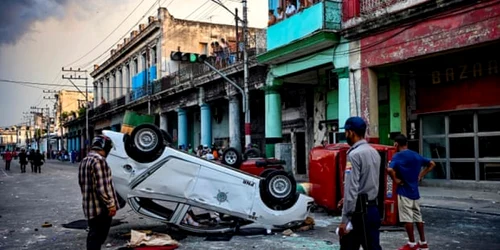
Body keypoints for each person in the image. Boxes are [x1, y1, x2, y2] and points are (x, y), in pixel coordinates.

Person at [337, 116, 382, 250]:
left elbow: (352, 187)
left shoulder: (354, 155)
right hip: (373, 209)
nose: (345, 135)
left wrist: (345, 220)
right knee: (372, 246)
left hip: (359, 213)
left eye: (346, 132)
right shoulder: (374, 152)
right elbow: (369, 182)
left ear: (351, 132)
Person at [388, 134, 435, 250]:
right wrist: (420, 175)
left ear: (396, 144)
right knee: (418, 217)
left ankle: (412, 243)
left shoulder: (397, 156)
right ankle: (423, 242)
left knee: (407, 218)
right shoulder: (416, 155)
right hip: (415, 192)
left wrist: (396, 179)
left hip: (404, 191)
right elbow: (432, 164)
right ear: (407, 144)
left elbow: (389, 169)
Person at [78, 135, 120, 250]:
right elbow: (102, 188)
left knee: (93, 236)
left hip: (89, 206)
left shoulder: (85, 160)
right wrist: (111, 205)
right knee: (97, 238)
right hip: (100, 208)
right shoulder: (99, 161)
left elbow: (82, 183)